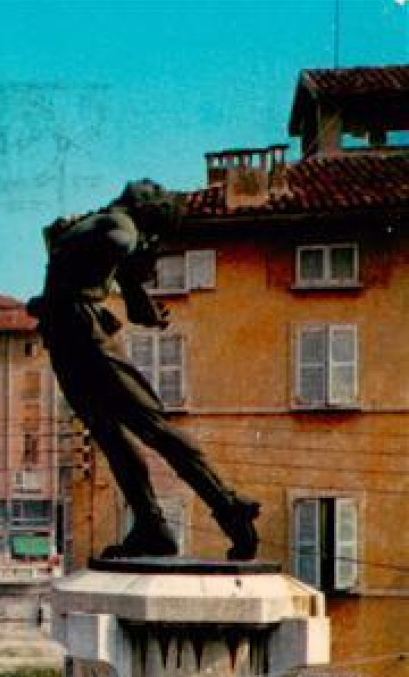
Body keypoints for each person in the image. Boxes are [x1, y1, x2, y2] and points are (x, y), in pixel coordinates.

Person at [28, 179, 260, 560]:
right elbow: (134, 300)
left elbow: (119, 243)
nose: (143, 187)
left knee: (152, 428)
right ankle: (153, 526)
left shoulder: (117, 224)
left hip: (82, 335)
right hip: (66, 336)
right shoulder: (104, 221)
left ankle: (226, 503)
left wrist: (107, 254)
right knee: (112, 437)